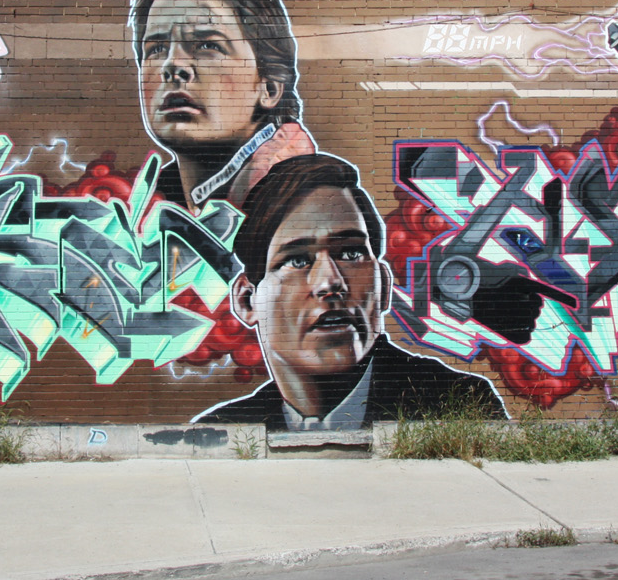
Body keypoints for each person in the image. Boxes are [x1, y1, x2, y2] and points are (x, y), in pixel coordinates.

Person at [195, 153, 507, 430]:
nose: (330, 282)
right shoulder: (225, 431)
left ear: (383, 286)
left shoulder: (458, 405)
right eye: (298, 260)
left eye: (351, 253)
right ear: (247, 300)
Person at [127, 0, 316, 211]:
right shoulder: (151, 212)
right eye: (156, 48)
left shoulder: (306, 205)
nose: (172, 65)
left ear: (269, 88)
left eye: (207, 45)